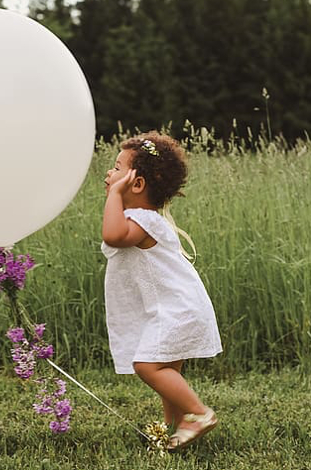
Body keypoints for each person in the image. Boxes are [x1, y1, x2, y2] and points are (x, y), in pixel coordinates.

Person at [101, 131, 223, 451]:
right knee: (167, 373)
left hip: (177, 310)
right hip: (176, 307)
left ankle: (198, 413)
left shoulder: (142, 220)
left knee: (148, 366)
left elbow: (113, 235)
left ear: (136, 184)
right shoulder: (144, 218)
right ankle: (174, 430)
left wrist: (114, 195)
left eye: (116, 169)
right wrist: (117, 194)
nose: (108, 175)